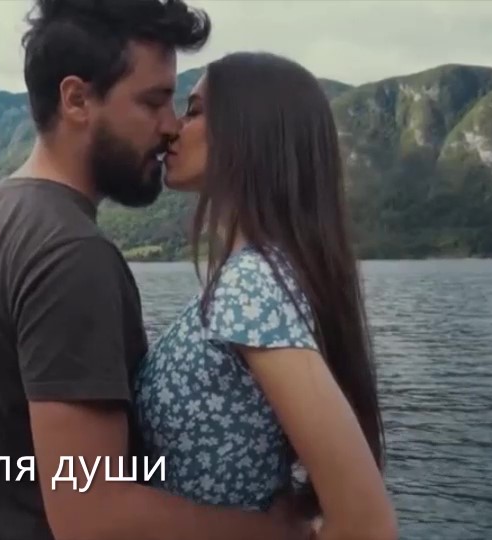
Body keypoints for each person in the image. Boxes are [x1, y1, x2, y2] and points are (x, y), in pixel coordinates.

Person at [0, 1, 315, 539]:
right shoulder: (71, 254)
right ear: (77, 100)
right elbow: (94, 515)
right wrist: (277, 532)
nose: (170, 126)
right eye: (153, 101)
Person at [133, 51, 399, 540]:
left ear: (247, 133)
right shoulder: (260, 275)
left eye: (195, 112)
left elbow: (366, 524)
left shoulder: (250, 285)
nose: (173, 129)